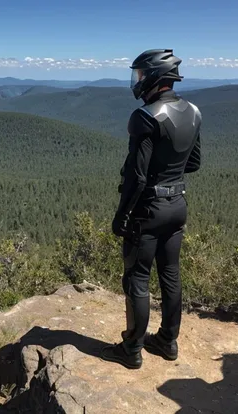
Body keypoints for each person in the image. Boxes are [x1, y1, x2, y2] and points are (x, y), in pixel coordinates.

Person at [100, 49, 202, 370]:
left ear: (156, 77)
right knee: (170, 274)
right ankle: (168, 341)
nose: (138, 81)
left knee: (137, 278)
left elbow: (137, 175)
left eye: (141, 75)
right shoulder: (194, 111)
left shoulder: (145, 116)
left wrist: (122, 215)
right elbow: (195, 162)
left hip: (149, 209)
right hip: (178, 205)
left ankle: (131, 348)